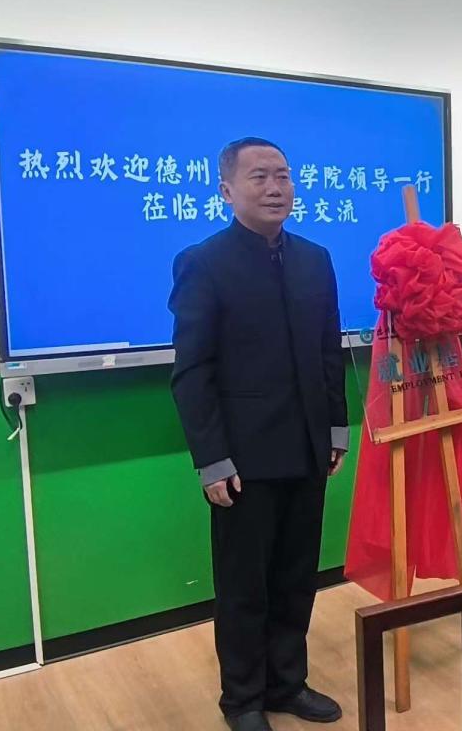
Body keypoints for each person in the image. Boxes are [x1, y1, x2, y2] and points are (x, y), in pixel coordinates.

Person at [169, 137, 348, 731]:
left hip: (307, 448)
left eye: (283, 175)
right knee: (244, 586)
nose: (276, 188)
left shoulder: (315, 259)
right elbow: (193, 371)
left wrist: (336, 426)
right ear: (227, 190)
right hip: (243, 459)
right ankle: (243, 700)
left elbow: (328, 350)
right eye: (259, 177)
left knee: (296, 578)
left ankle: (287, 684)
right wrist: (211, 458)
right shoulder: (204, 262)